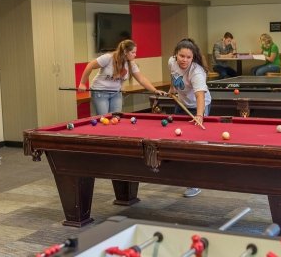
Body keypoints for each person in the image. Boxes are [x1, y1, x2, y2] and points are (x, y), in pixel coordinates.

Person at [168, 38, 212, 198]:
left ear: (193, 58)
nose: (184, 60)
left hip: (199, 106)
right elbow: (173, 75)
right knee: (178, 140)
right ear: (175, 55)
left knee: (196, 145)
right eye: (181, 56)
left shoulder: (197, 71)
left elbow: (200, 95)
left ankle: (195, 183)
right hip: (181, 103)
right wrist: (172, 88)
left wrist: (199, 115)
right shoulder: (171, 62)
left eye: (188, 57)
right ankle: (182, 173)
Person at [79, 39, 167, 115]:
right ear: (125, 52)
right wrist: (82, 83)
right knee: (104, 119)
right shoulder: (108, 58)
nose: (135, 55)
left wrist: (155, 90)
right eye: (133, 52)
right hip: (100, 92)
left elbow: (141, 79)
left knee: (116, 117)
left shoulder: (131, 64)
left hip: (116, 92)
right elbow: (90, 65)